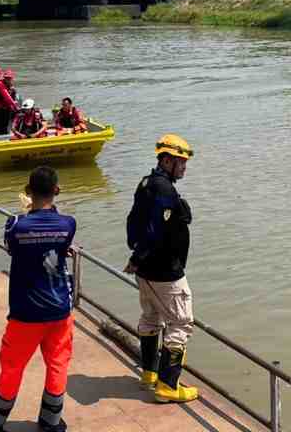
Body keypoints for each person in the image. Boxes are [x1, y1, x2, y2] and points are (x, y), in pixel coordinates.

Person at [0, 166, 76, 432]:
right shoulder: (68, 224)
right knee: (57, 364)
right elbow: (59, 244)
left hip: (25, 312)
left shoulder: (15, 225)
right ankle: (50, 423)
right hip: (59, 310)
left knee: (12, 366)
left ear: (28, 191)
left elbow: (12, 248)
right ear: (56, 191)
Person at [124, 134, 198, 403]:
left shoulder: (146, 183)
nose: (184, 168)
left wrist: (135, 256)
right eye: (181, 162)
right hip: (165, 271)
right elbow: (156, 231)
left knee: (151, 318)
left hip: (146, 270)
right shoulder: (165, 189)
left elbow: (133, 222)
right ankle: (168, 386)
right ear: (167, 161)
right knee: (181, 323)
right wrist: (140, 255)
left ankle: (149, 374)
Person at [0, 69, 20, 136]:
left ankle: (6, 135)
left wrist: (17, 107)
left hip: (6, 108)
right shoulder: (0, 84)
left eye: (9, 78)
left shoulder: (11, 87)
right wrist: (16, 107)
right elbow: (7, 97)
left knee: (5, 125)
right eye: (6, 78)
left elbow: (16, 98)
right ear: (4, 78)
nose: (8, 80)